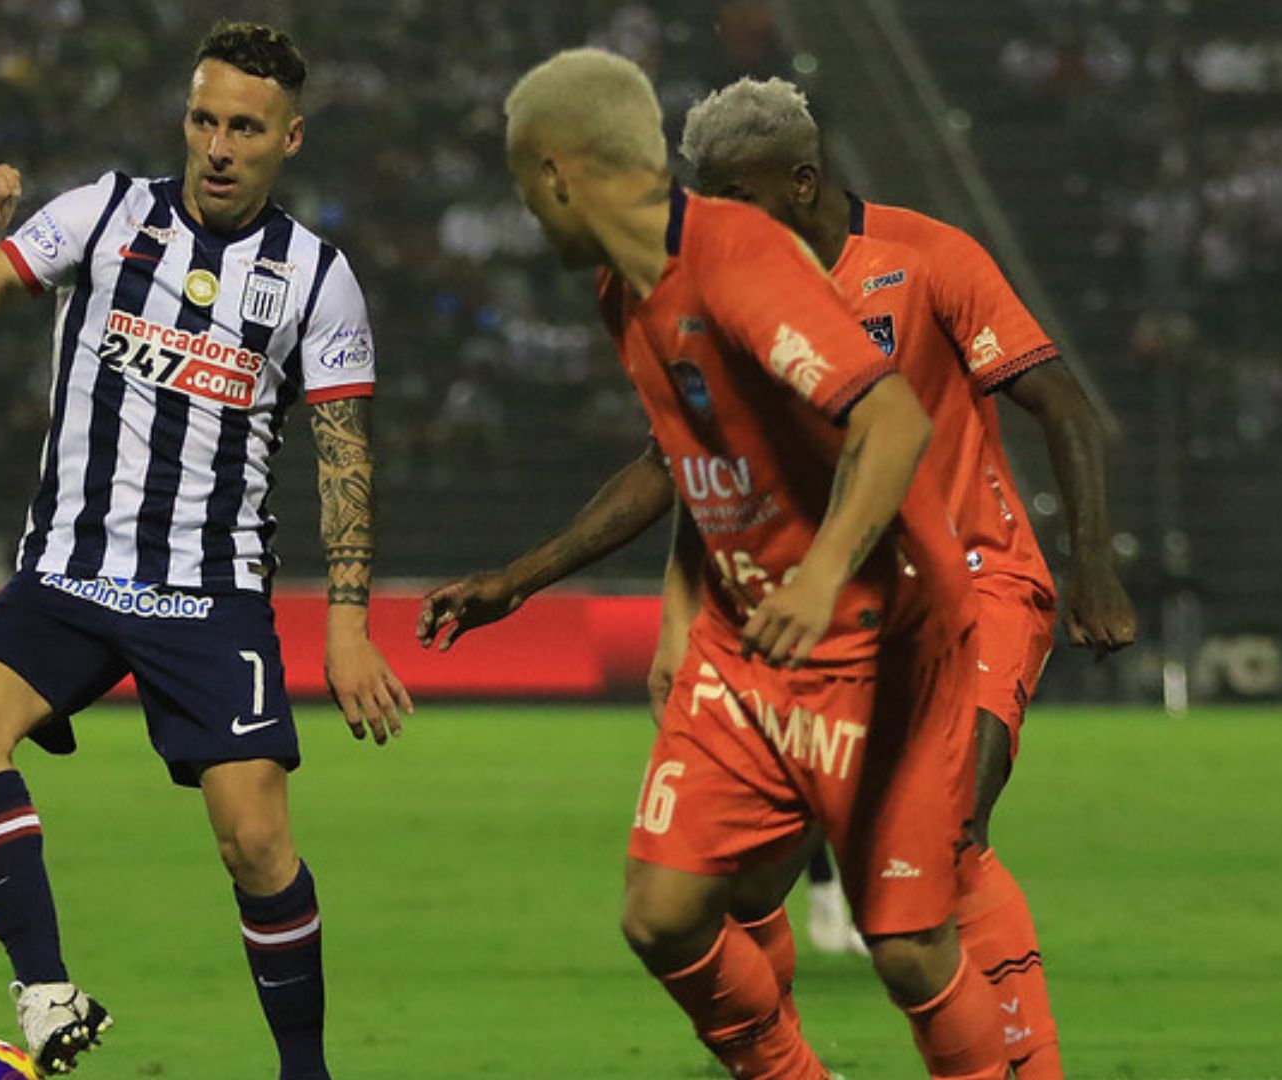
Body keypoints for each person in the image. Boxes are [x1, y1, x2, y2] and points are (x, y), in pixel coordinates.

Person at [421, 73, 1136, 1079]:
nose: (715, 213)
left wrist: (1092, 569)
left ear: (802, 181)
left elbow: (1060, 404)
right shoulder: (698, 281)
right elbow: (684, 460)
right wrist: (541, 580)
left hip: (966, 579)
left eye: (737, 194)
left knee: (949, 837)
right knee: (725, 891)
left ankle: (1025, 1063)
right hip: (800, 608)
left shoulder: (928, 259)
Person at [0, 22, 412, 1078]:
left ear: (290, 139)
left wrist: (351, 625)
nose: (219, 145)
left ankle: (304, 1072)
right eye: (204, 119)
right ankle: (45, 993)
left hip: (208, 593)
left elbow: (344, 463)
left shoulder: (318, 280)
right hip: (69, 574)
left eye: (245, 127)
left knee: (256, 843)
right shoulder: (101, 213)